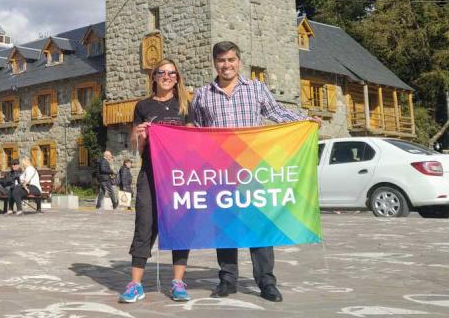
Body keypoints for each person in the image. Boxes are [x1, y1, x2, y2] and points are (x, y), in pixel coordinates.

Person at [189, 41, 321, 303]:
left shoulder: (256, 89)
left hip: (253, 169)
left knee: (259, 226)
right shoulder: (203, 94)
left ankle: (266, 282)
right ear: (214, 63)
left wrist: (305, 120)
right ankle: (227, 279)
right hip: (221, 171)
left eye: (231, 60)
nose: (226, 65)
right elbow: (198, 130)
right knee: (224, 227)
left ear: (239, 61)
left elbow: (277, 112)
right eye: (221, 61)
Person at [119, 58, 192, 304]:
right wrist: (140, 135)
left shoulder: (185, 105)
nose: (167, 76)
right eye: (162, 72)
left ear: (177, 77)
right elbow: (138, 147)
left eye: (172, 73)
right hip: (150, 174)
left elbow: (193, 141)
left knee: (179, 226)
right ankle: (135, 284)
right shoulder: (143, 106)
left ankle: (178, 282)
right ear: (154, 76)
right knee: (144, 225)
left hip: (178, 177)